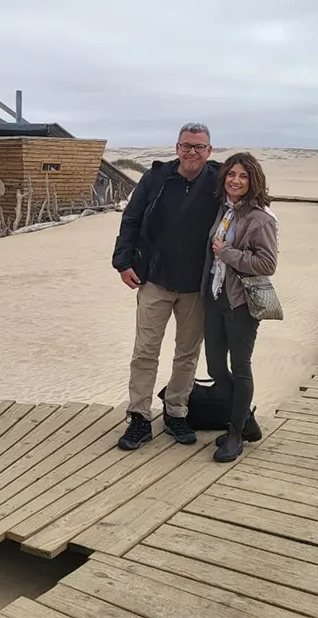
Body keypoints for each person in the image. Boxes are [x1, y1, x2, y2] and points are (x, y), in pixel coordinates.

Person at [111, 122, 221, 450]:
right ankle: (139, 418)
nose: (192, 152)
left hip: (196, 287)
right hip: (154, 281)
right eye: (186, 145)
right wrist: (123, 262)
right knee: (145, 351)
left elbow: (246, 209)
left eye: (199, 147)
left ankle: (176, 411)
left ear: (209, 151)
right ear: (176, 148)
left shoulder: (219, 182)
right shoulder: (156, 178)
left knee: (187, 354)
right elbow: (130, 219)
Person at [200, 152, 278, 462]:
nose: (236, 180)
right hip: (215, 297)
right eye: (232, 174)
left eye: (243, 176)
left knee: (240, 367)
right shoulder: (224, 209)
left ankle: (235, 433)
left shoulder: (261, 218)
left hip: (241, 302)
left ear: (253, 181)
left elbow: (267, 263)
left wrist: (229, 253)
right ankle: (248, 422)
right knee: (216, 367)